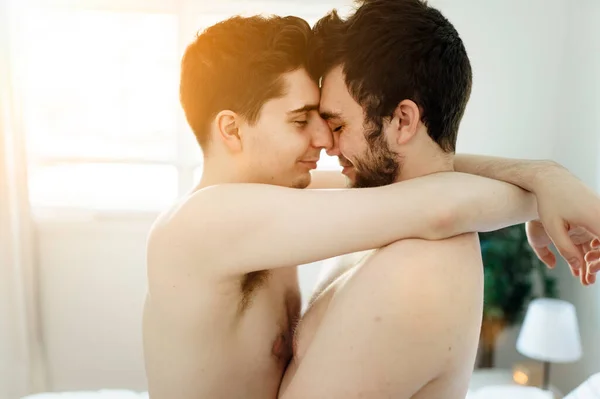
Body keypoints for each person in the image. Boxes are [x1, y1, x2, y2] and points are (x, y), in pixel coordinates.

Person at [142, 12, 599, 399]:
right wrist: (544, 189)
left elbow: (429, 176)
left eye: (330, 123)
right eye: (302, 120)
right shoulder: (203, 223)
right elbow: (436, 202)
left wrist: (545, 178)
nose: (323, 141)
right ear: (232, 129)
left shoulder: (278, 200)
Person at [277, 1, 600, 398]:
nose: (326, 143)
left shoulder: (413, 277)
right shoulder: (384, 210)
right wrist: (541, 177)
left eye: (339, 125)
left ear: (404, 120)